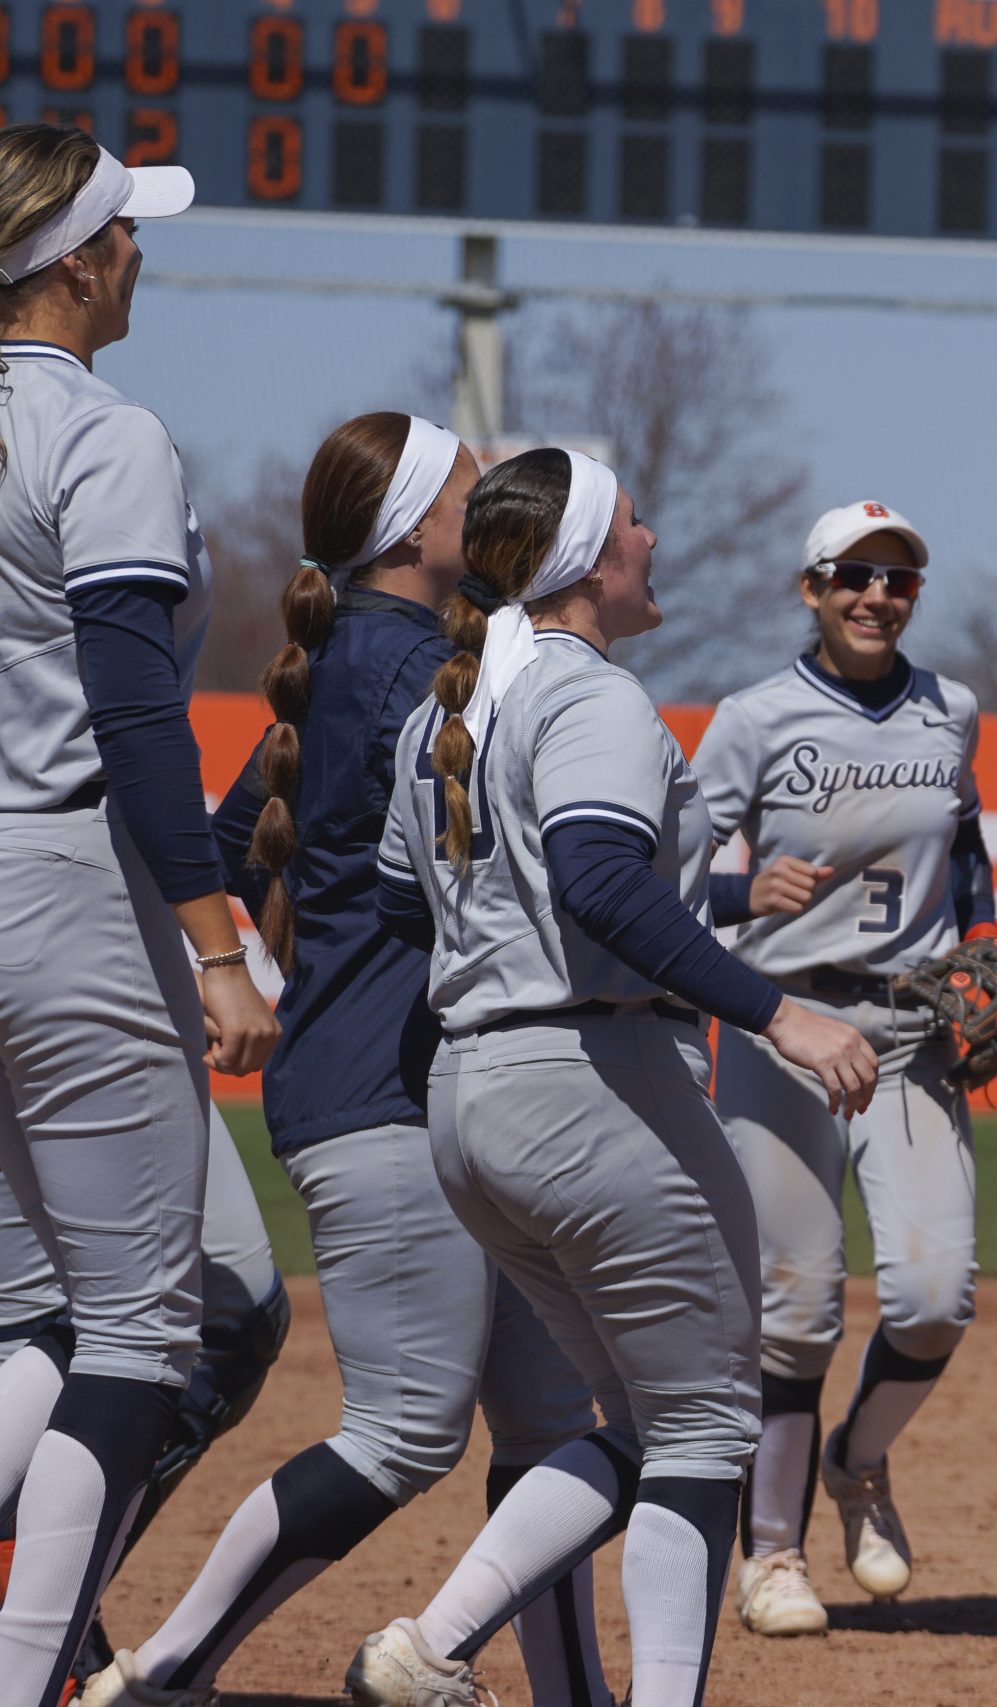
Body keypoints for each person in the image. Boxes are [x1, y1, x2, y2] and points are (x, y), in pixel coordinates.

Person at [79, 415, 613, 1707]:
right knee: (406, 1427)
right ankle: (163, 1669)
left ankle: (580, 1693)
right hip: (387, 1091)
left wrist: (241, 977)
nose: (492, 516)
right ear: (425, 533)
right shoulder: (421, 670)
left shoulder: (347, 660)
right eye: (473, 497)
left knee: (547, 1426)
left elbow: (221, 832)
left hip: (412, 1085)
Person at [355, 448, 876, 1707]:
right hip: (593, 1083)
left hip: (475, 1099)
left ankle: (432, 1644)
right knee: (703, 1429)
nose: (653, 539)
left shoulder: (449, 705)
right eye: (634, 523)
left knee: (646, 1427)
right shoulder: (587, 697)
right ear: (587, 559)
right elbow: (595, 877)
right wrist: (776, 1014)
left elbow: (392, 897)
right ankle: (460, 1647)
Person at [0, 123, 278, 1702]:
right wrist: (216, 939)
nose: (142, 255)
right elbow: (132, 715)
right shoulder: (105, 434)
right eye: (127, 233)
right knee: (131, 1330)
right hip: (64, 885)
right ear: (79, 259)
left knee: (28, 1315)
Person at [692, 500, 997, 1635]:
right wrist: (736, 893)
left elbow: (964, 851)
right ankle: (770, 1556)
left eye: (899, 579)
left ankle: (856, 1462)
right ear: (810, 589)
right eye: (853, 576)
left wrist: (985, 950)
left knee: (932, 1296)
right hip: (782, 1028)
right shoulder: (755, 717)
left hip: (911, 1030)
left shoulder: (949, 710)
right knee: (797, 1308)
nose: (878, 595)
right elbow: (653, 868)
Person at [0, 1093, 289, 1691]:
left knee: (225, 1323)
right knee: (70, 1320)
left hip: (136, 1013)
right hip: (69, 1014)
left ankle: (52, 1593)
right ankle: (33, 1620)